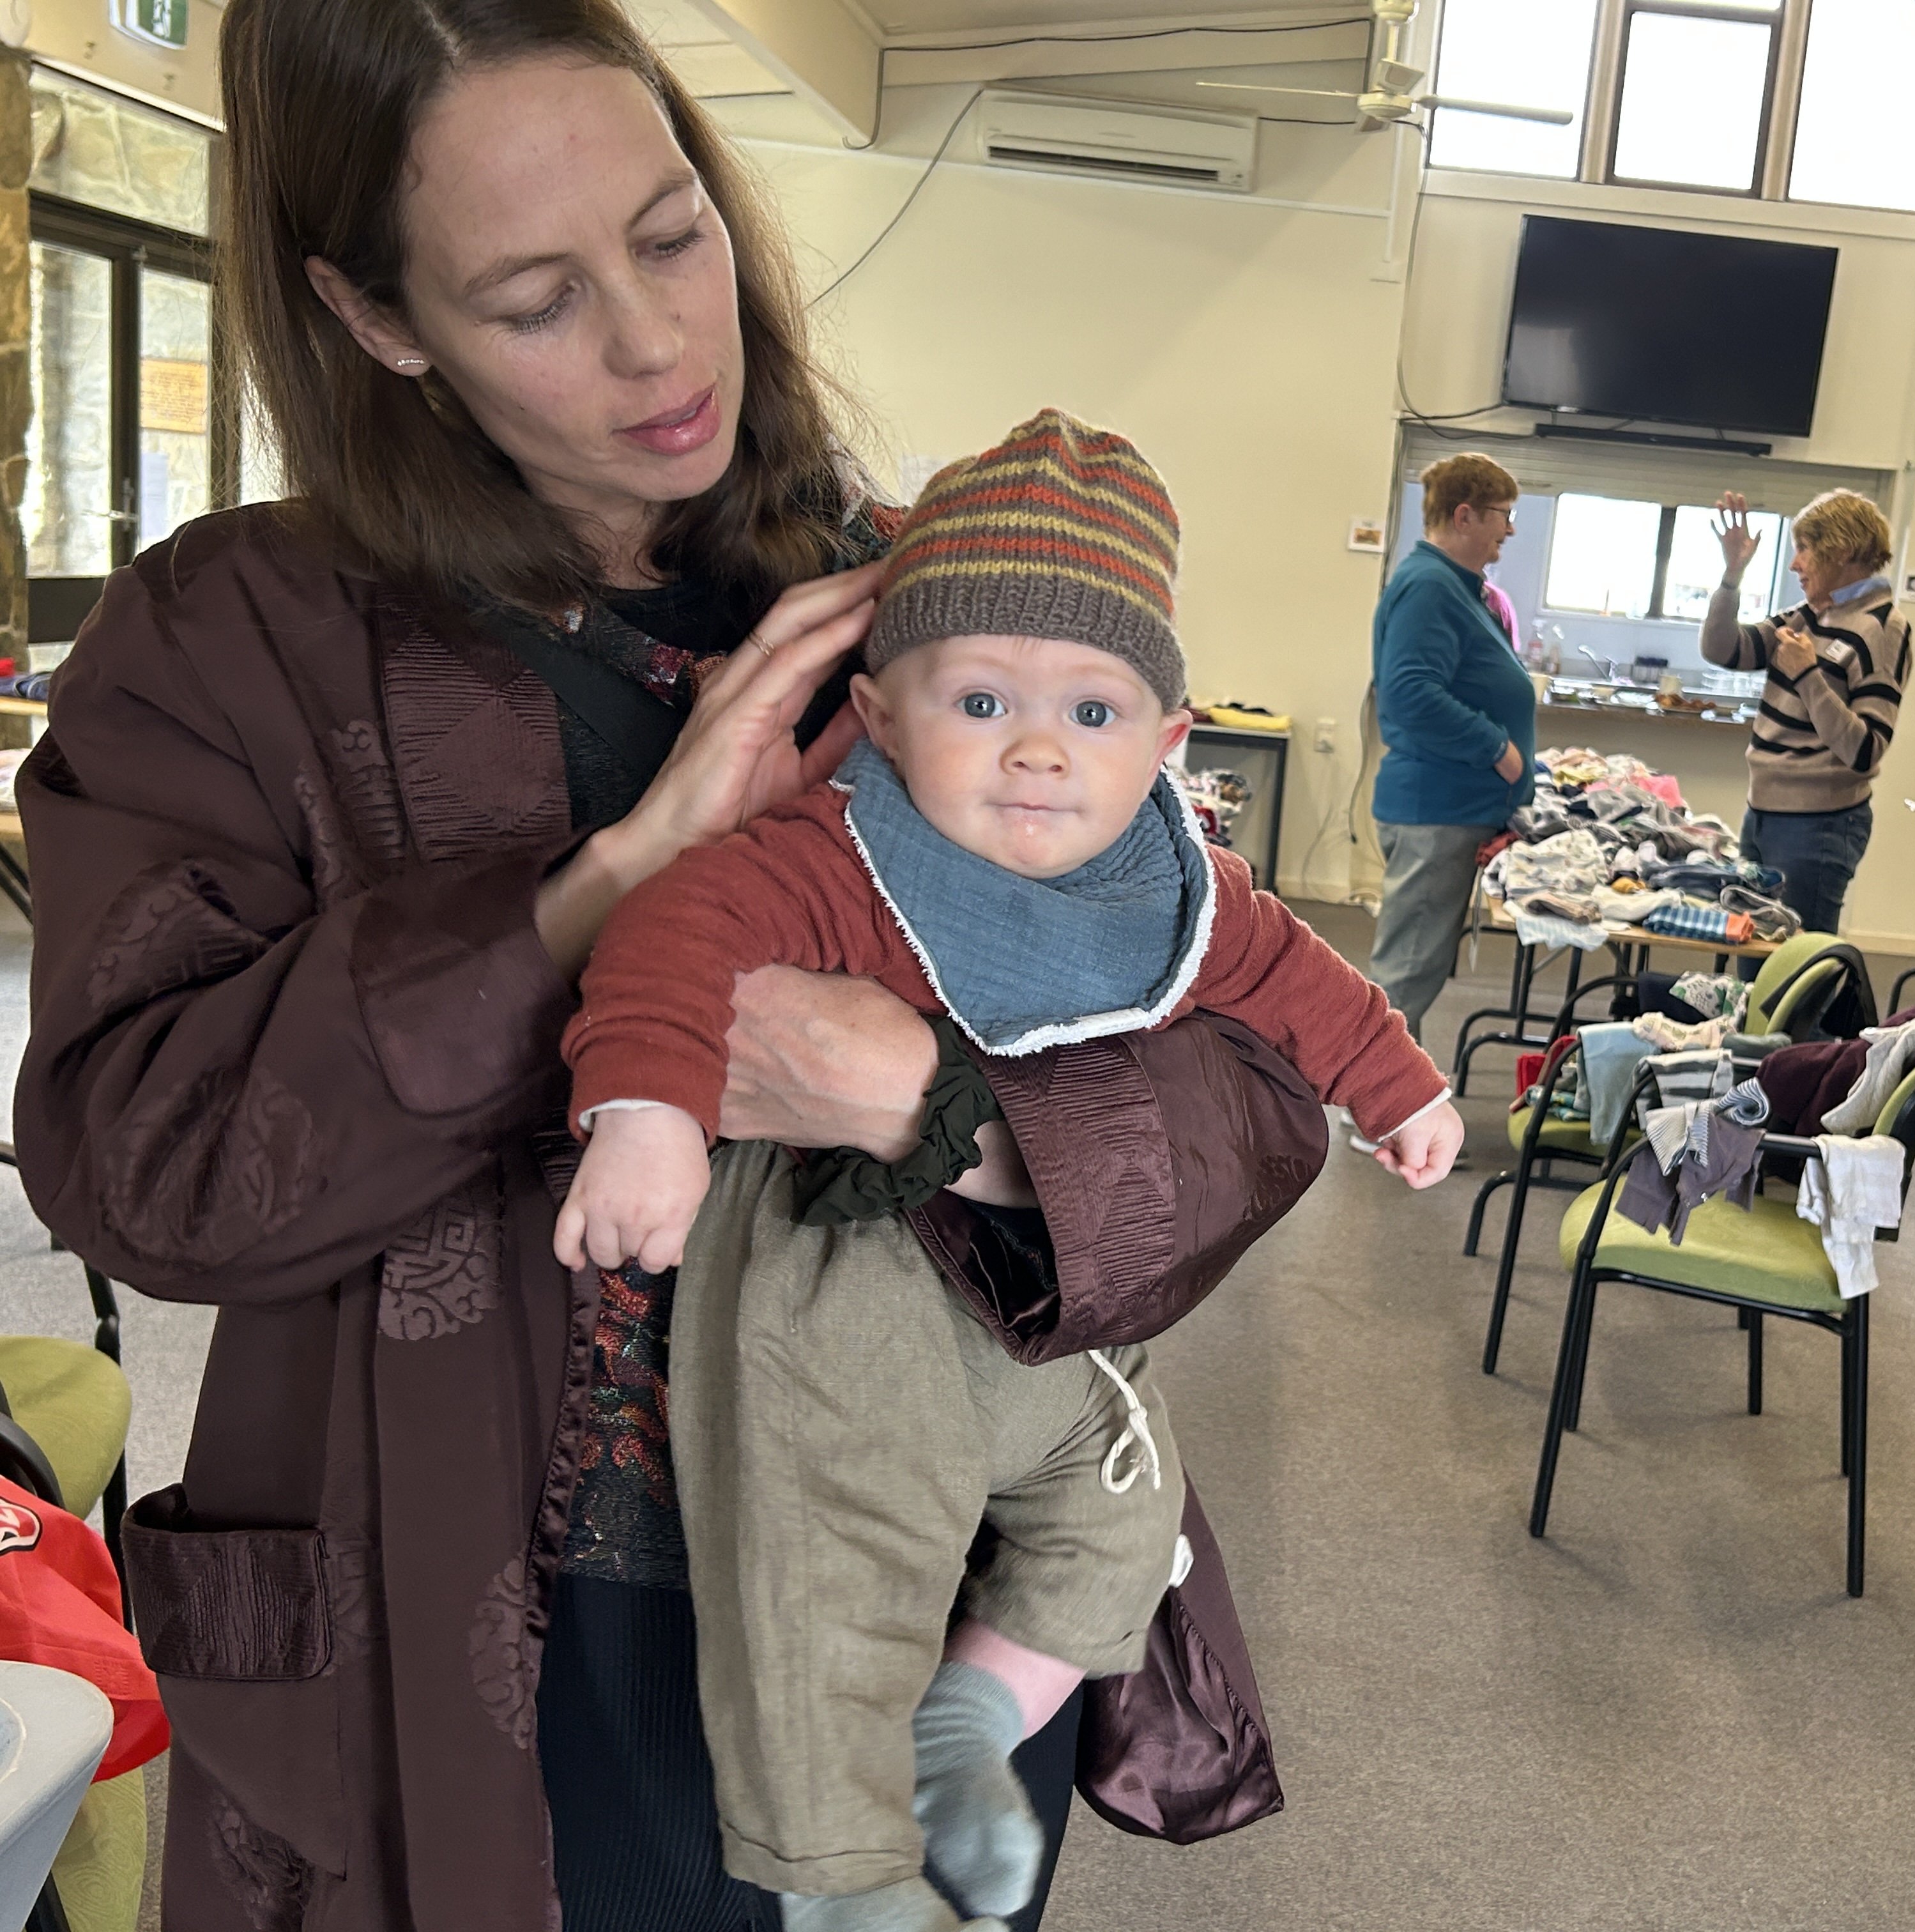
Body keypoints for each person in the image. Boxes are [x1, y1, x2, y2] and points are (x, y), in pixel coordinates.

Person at [10, 6, 1327, 1928]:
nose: (648, 344)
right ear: (380, 321)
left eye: (670, 235)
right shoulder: (234, 643)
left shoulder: (919, 606)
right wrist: (610, 885)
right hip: (489, 1638)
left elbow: (1249, 1092)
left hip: (912, 1587)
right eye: (534, 295)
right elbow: (145, 1170)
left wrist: (927, 1106)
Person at [556, 410, 1464, 1932]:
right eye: (981, 700)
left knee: (1130, 1515)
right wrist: (643, 1111)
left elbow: (1303, 981)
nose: (1042, 748)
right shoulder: (837, 853)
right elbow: (671, 936)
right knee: (828, 1586)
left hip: (1060, 1331)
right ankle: (843, 1886)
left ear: (1171, 744)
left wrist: (1399, 1084)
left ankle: (974, 1714)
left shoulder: (1174, 882)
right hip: (853, 1310)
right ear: (886, 715)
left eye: (1096, 714)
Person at [1366, 452, 1536, 1046]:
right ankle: (1376, 1117)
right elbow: (1412, 693)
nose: (1509, 530)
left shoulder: (1457, 588)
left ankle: (1383, 1099)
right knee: (1408, 970)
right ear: (1465, 516)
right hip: (1434, 809)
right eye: (1503, 515)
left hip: (1449, 809)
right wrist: (1499, 749)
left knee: (1417, 965)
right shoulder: (1431, 587)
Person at [1699, 489, 1912, 938]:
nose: (1796, 564)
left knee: (1794, 973)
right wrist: (1732, 575)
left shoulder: (1883, 627)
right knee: (1755, 958)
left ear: (1843, 550)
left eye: (1805, 549)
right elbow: (1722, 649)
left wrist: (1808, 676)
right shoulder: (1809, 615)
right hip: (1763, 813)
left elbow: (1866, 750)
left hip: (1817, 825)